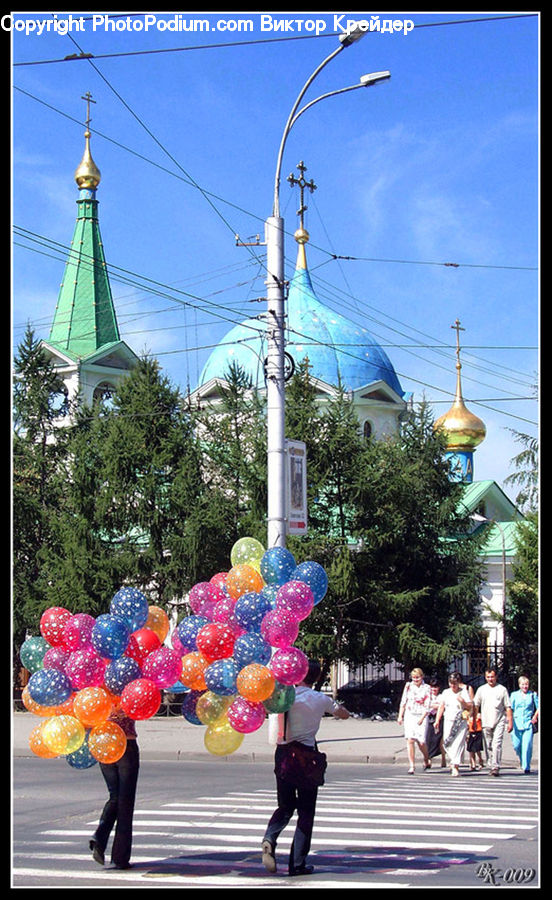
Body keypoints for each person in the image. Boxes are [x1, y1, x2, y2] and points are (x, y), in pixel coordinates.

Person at [261, 659, 350, 877]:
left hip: (283, 754)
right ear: (317, 678)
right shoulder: (320, 699)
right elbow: (343, 713)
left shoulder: (285, 696)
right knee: (306, 812)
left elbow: (267, 706)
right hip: (306, 758)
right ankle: (297, 863)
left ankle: (270, 838)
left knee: (285, 805)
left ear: (298, 674)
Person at [89, 707, 140, 869]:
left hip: (103, 742)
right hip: (126, 743)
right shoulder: (131, 683)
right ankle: (120, 857)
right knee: (125, 801)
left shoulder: (99, 686)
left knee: (115, 796)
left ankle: (100, 837)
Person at [472, 668, 513, 776]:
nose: (490, 679)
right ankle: (491, 763)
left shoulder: (502, 689)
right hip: (486, 721)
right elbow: (476, 705)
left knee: (497, 744)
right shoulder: (481, 690)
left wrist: (510, 722)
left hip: (499, 720)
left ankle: (495, 766)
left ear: (496, 677)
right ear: (485, 677)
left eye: (492, 677)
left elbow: (508, 707)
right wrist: (475, 720)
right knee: (488, 745)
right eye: (488, 677)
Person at [434, 673, 473, 776]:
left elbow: (470, 706)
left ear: (458, 683)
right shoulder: (446, 692)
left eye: (455, 684)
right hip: (448, 720)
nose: (453, 686)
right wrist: (437, 720)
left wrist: (463, 702)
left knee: (458, 743)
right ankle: (453, 760)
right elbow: (441, 706)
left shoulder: (463, 692)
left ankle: (455, 766)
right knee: (447, 742)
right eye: (451, 683)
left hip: (460, 721)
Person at [397, 667, 431, 773]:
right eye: (413, 677)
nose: (415, 679)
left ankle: (426, 758)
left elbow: (427, 705)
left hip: (421, 715)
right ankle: (412, 765)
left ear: (422, 677)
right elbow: (404, 701)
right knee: (410, 740)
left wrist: (422, 718)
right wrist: (400, 716)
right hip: (410, 715)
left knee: (421, 742)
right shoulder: (408, 686)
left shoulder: (427, 687)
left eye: (417, 677)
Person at [510, 675, 539, 774]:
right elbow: (510, 708)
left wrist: (535, 717)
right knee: (517, 745)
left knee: (527, 746)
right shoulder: (514, 695)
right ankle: (522, 759)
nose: (525, 686)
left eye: (526, 684)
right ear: (519, 685)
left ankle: (526, 766)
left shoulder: (532, 695)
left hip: (528, 724)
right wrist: (509, 721)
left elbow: (538, 707)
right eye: (523, 684)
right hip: (516, 724)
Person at [424, 678, 446, 767]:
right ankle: (429, 759)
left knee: (440, 740)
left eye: (436, 687)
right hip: (429, 718)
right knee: (428, 739)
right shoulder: (427, 696)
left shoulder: (441, 696)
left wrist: (435, 706)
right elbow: (425, 705)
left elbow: (443, 706)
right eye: (432, 687)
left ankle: (443, 759)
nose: (434, 689)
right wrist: (436, 706)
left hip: (440, 718)